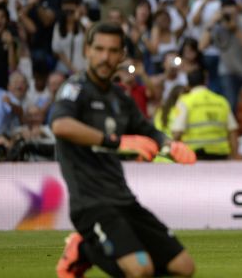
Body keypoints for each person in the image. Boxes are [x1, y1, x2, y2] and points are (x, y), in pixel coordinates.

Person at [52, 22, 196, 278]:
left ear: (121, 56)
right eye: (99, 49)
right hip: (91, 204)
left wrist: (169, 145)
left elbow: (147, 131)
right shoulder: (75, 89)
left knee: (183, 267)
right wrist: (114, 142)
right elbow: (61, 126)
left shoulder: (120, 99)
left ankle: (86, 249)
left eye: (112, 51)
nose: (105, 58)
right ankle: (83, 250)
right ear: (87, 50)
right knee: (140, 270)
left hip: (124, 199)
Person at [171, 68, 239, 160]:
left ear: (188, 84)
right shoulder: (221, 101)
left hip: (194, 157)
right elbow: (233, 131)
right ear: (206, 81)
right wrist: (235, 156)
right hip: (221, 156)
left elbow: (177, 132)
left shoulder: (184, 101)